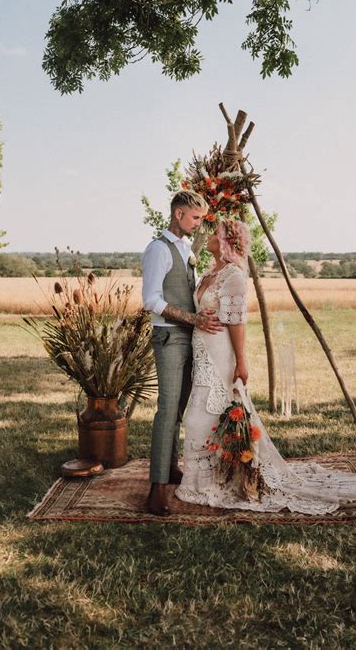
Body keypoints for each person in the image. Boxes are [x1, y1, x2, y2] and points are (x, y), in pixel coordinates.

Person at [175, 219, 356, 514]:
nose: (209, 235)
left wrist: (241, 361)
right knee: (201, 415)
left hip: (220, 354)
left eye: (214, 233)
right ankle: (204, 480)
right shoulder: (210, 270)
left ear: (227, 241)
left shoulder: (234, 276)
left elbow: (237, 321)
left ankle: (210, 483)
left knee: (200, 417)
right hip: (201, 352)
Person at [142, 190, 223, 516]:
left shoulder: (186, 249)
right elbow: (150, 300)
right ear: (178, 214)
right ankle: (156, 489)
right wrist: (192, 318)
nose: (199, 223)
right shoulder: (157, 250)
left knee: (178, 408)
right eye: (195, 217)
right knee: (166, 409)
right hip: (169, 339)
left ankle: (170, 469)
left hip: (190, 338)